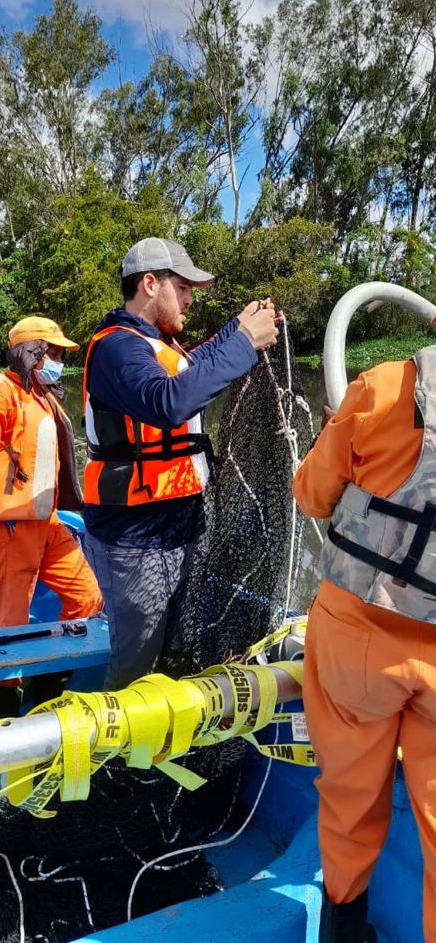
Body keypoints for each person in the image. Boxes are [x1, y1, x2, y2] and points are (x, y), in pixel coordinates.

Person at [83, 236, 279, 690]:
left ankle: (168, 746)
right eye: (184, 286)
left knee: (179, 653)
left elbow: (198, 364)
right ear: (150, 284)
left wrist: (238, 329)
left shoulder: (160, 347)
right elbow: (168, 402)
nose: (191, 297)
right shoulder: (117, 348)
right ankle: (120, 758)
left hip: (181, 526)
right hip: (134, 539)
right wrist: (245, 344)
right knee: (135, 671)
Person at [292, 345, 436, 943]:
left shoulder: (380, 388)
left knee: (351, 801)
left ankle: (345, 930)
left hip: (359, 641)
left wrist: (338, 427)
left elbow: (312, 498)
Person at [0, 316, 103, 717]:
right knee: (5, 632)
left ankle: (45, 684)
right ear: (29, 352)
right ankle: (5, 718)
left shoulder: (42, 395)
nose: (58, 360)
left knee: (87, 598)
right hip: (8, 527)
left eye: (62, 354)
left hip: (48, 522)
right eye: (52, 352)